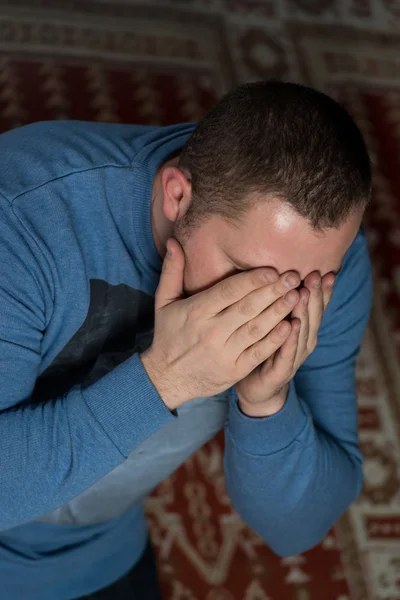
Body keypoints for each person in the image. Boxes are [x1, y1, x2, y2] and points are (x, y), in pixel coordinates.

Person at [0, 80, 371, 600]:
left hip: (98, 553)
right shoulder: (19, 216)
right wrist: (164, 380)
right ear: (178, 194)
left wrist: (267, 403)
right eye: (243, 271)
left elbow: (297, 529)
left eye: (300, 286)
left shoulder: (327, 268)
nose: (268, 309)